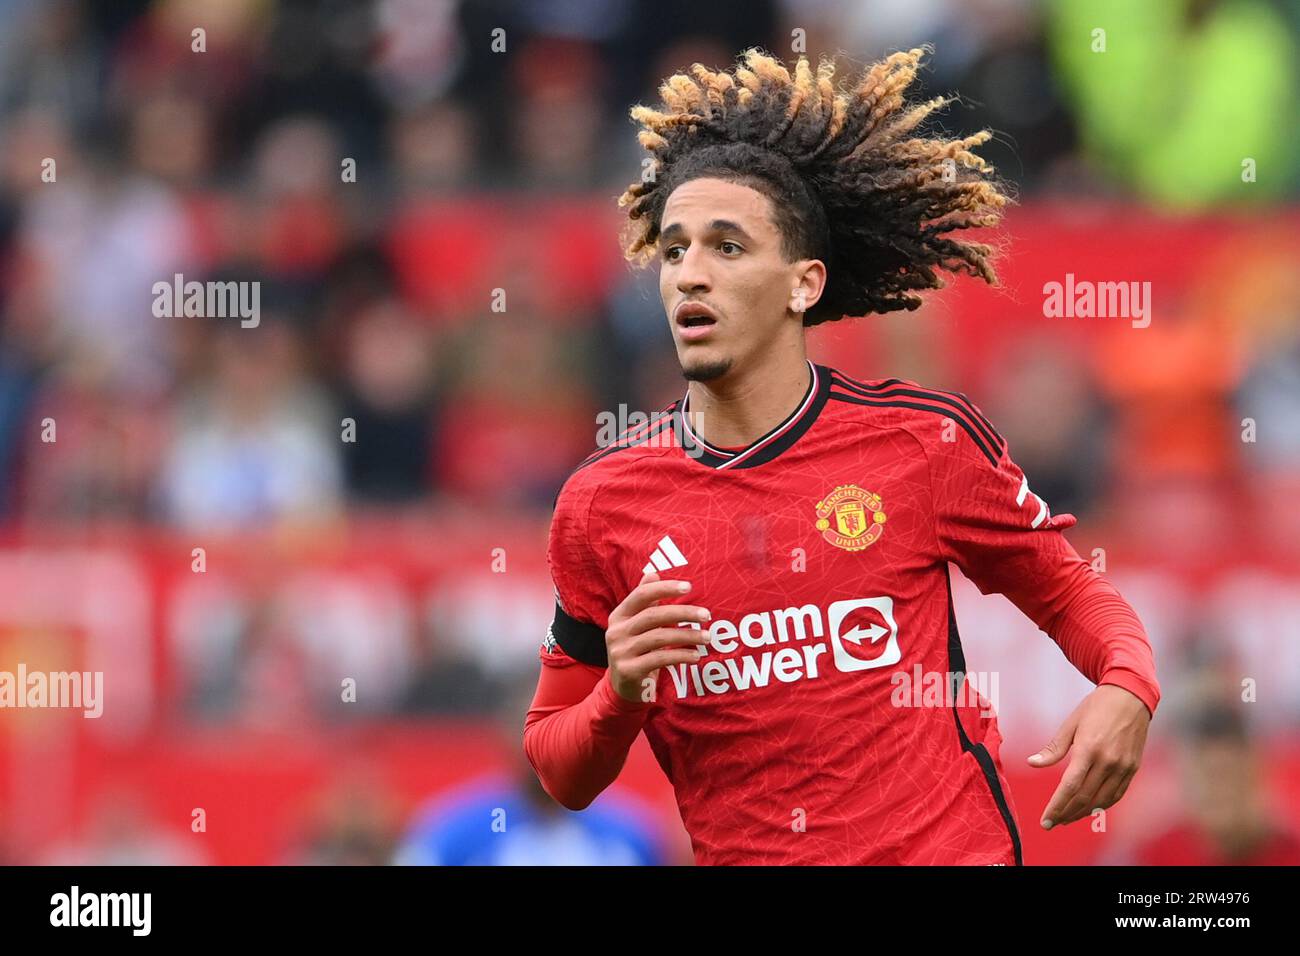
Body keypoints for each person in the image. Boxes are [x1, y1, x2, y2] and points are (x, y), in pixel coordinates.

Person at [524, 47, 1159, 865]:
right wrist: (619, 693)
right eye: (674, 249)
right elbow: (558, 768)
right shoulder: (601, 504)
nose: (689, 274)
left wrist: (1128, 687)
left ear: (803, 284)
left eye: (727, 246)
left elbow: (1071, 592)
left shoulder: (921, 442)